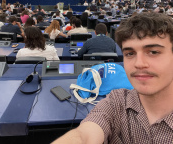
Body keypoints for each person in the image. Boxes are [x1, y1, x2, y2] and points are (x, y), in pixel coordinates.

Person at [52, 12, 173, 143]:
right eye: (130, 53)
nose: (139, 63)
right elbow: (84, 135)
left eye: (153, 52)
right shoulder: (116, 102)